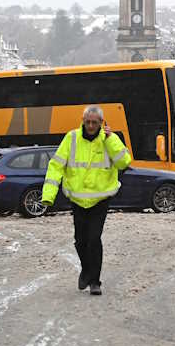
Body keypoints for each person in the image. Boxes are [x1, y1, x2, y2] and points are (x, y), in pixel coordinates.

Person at [41, 105, 132, 296]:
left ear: (101, 123)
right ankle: (86, 270)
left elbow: (124, 162)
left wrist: (111, 140)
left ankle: (95, 282)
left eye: (94, 122)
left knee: (93, 239)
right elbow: (55, 166)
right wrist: (48, 195)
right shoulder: (71, 138)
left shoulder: (109, 139)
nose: (90, 125)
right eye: (87, 122)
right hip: (77, 199)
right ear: (83, 121)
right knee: (80, 240)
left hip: (100, 199)